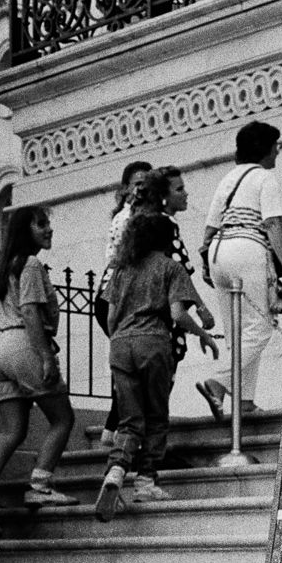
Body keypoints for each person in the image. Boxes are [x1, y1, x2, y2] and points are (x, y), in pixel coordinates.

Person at [96, 213, 222, 521]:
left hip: (121, 345)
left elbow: (110, 317)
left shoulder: (122, 270)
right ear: (167, 239)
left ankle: (116, 469)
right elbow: (178, 314)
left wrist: (122, 339)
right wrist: (204, 334)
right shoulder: (170, 267)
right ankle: (145, 480)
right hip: (153, 343)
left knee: (129, 419)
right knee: (155, 416)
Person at [0, 205, 78, 534]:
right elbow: (30, 313)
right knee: (63, 418)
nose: (49, 229)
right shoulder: (30, 264)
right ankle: (41, 485)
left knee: (10, 430)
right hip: (23, 343)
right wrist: (45, 356)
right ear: (23, 230)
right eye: (41, 224)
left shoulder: (6, 265)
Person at [197, 120, 282, 421]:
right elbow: (273, 224)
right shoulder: (264, 178)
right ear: (264, 148)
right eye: (275, 145)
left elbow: (211, 225)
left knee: (237, 332)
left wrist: (205, 261)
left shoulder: (229, 178)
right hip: (247, 248)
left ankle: (244, 401)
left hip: (219, 250)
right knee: (263, 325)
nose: (277, 151)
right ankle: (218, 381)